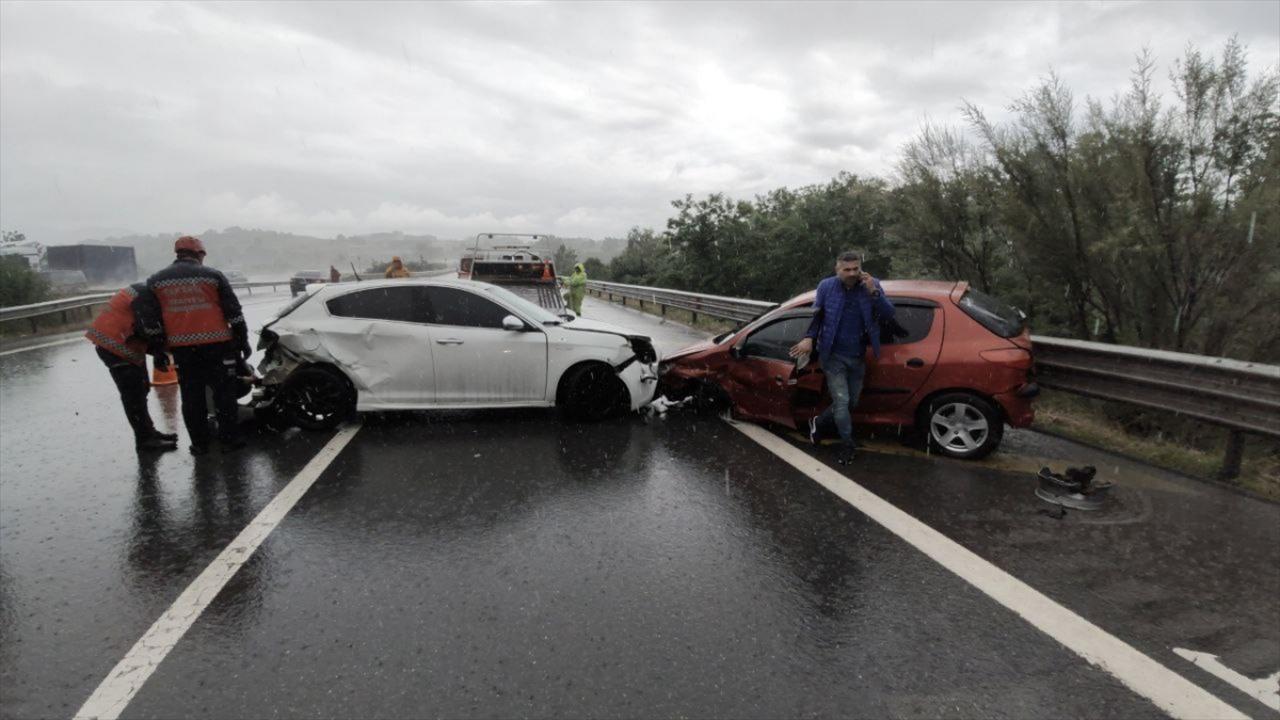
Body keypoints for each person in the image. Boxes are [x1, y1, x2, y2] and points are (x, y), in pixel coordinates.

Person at [137, 236, 249, 455]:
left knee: (191, 398)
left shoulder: (156, 281)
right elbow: (234, 312)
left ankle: (199, 444)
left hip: (183, 351)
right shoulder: (213, 276)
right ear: (199, 254)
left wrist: (158, 350)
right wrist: (242, 340)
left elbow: (150, 321)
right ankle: (229, 440)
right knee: (224, 395)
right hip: (217, 346)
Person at [789, 250, 895, 465]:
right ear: (837, 270)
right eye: (847, 269)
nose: (852, 273)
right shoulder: (826, 286)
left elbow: (889, 314)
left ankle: (819, 422)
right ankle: (847, 444)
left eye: (856, 269)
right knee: (842, 401)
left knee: (851, 402)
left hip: (857, 355)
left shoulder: (871, 285)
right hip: (832, 355)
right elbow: (817, 315)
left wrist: (874, 292)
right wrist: (809, 337)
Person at [85, 283, 179, 451]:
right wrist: (160, 353)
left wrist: (159, 352)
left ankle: (149, 432)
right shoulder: (145, 297)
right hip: (115, 345)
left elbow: (145, 329)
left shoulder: (145, 292)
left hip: (123, 344)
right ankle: (145, 440)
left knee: (141, 389)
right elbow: (149, 328)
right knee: (134, 395)